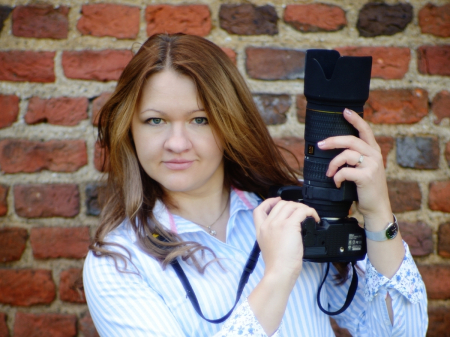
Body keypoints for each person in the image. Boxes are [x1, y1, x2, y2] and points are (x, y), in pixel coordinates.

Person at [83, 33, 428, 337]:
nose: (176, 143)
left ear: (229, 123)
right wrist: (277, 277)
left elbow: (402, 333)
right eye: (155, 120)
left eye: (199, 119)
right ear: (130, 128)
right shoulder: (118, 261)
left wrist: (379, 215)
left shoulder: (296, 215)